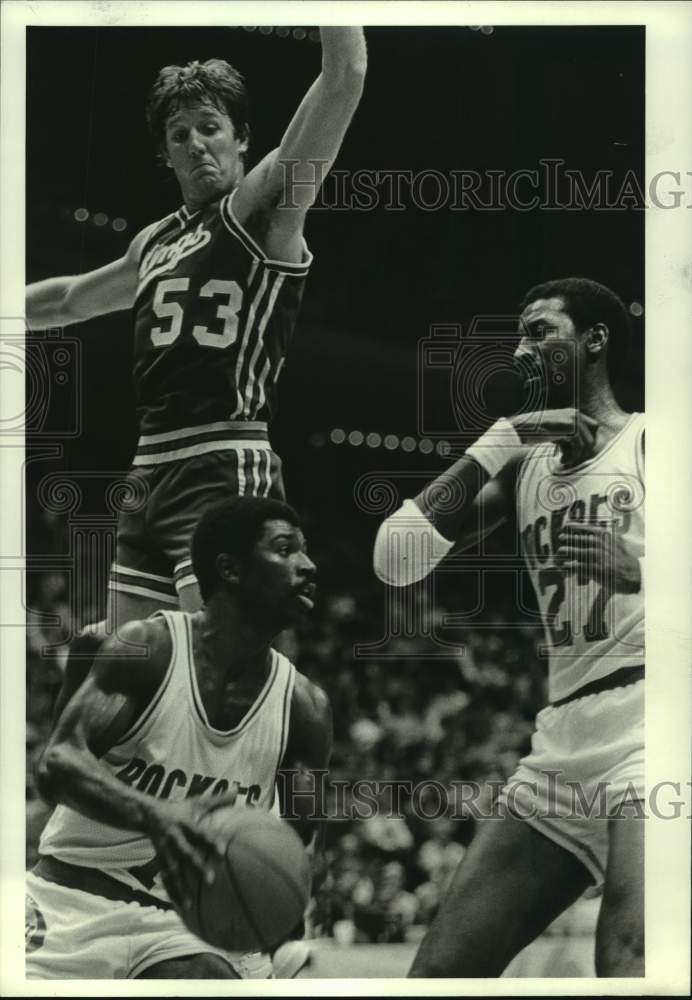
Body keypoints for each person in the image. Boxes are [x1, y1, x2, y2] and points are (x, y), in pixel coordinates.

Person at [26, 27, 366, 635]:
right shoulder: (153, 243)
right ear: (166, 154)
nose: (196, 145)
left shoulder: (260, 214)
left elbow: (345, 78)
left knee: (223, 668)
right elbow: (68, 300)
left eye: (210, 127)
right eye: (179, 135)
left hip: (223, 458)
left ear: (241, 139)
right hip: (149, 468)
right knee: (130, 673)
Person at [373, 278, 645, 977]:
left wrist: (648, 567)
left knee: (629, 956)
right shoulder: (523, 464)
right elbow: (396, 559)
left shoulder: (655, 441)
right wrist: (505, 437)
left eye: (539, 331)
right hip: (564, 739)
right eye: (517, 333)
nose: (520, 348)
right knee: (439, 974)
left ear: (595, 340)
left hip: (658, 720)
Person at [26, 495, 332, 980]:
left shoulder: (305, 708)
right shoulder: (148, 649)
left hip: (192, 929)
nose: (308, 565)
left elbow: (302, 845)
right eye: (285, 549)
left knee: (202, 973)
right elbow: (57, 764)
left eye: (305, 550)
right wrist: (157, 816)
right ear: (229, 569)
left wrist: (275, 918)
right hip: (72, 903)